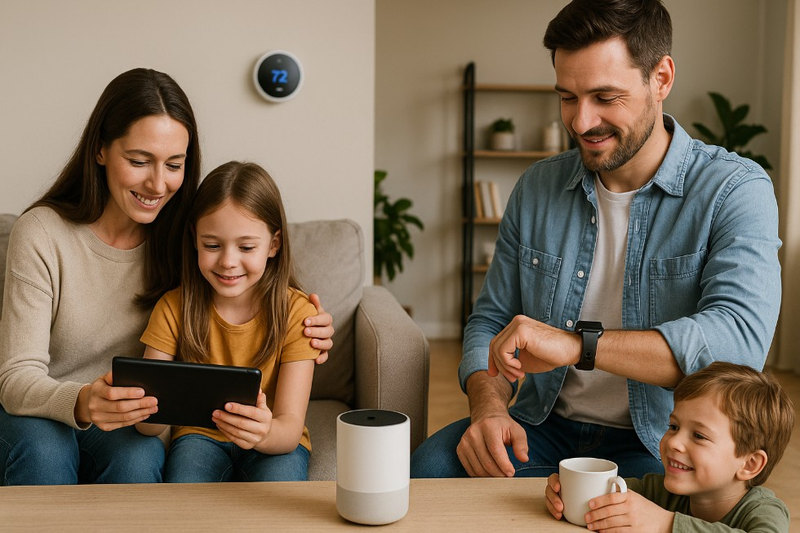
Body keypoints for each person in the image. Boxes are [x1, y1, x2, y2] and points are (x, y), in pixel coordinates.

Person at [411, 0, 781, 479]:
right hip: (542, 427)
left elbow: (739, 343)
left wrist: (576, 345)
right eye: (568, 97)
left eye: (606, 97)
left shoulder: (735, 190)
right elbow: (491, 320)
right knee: (429, 469)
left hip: (665, 442)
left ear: (661, 78)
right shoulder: (537, 187)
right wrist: (490, 409)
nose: (581, 122)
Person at [0, 68, 334, 485]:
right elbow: (16, 379)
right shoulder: (42, 233)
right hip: (44, 407)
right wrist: (86, 400)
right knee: (45, 452)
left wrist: (309, 324)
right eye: (139, 161)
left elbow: (248, 285)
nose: (158, 184)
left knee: (137, 461)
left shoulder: (186, 240)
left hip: (132, 414)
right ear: (100, 150)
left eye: (174, 164)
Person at [135, 161, 319, 482]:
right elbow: (148, 424)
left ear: (273, 245)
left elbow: (288, 429)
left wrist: (263, 433)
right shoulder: (173, 308)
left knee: (280, 500)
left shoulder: (297, 312)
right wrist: (144, 411)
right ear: (194, 239)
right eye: (212, 245)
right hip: (198, 436)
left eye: (246, 247)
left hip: (273, 440)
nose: (228, 262)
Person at [545, 362, 794, 532]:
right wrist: (568, 492)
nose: (673, 442)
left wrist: (666, 525)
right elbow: (604, 497)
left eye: (698, 435)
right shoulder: (660, 492)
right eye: (673, 426)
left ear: (750, 464)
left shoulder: (764, 512)